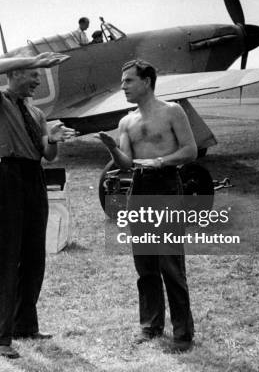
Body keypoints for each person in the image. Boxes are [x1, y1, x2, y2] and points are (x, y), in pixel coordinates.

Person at [97, 59, 198, 352]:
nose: (123, 87)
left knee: (171, 262)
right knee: (145, 263)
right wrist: (112, 147)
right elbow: (126, 163)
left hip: (167, 185)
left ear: (147, 82)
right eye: (122, 82)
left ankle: (182, 333)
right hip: (139, 188)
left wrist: (161, 161)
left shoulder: (172, 111)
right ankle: (150, 326)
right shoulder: (126, 122)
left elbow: (190, 150)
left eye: (128, 81)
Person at [0, 52, 76, 359]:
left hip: (33, 177)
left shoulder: (36, 113)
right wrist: (33, 59)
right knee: (8, 257)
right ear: (16, 73)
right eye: (33, 74)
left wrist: (55, 138)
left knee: (35, 255)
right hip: (6, 175)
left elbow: (48, 156)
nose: (38, 79)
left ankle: (24, 325)